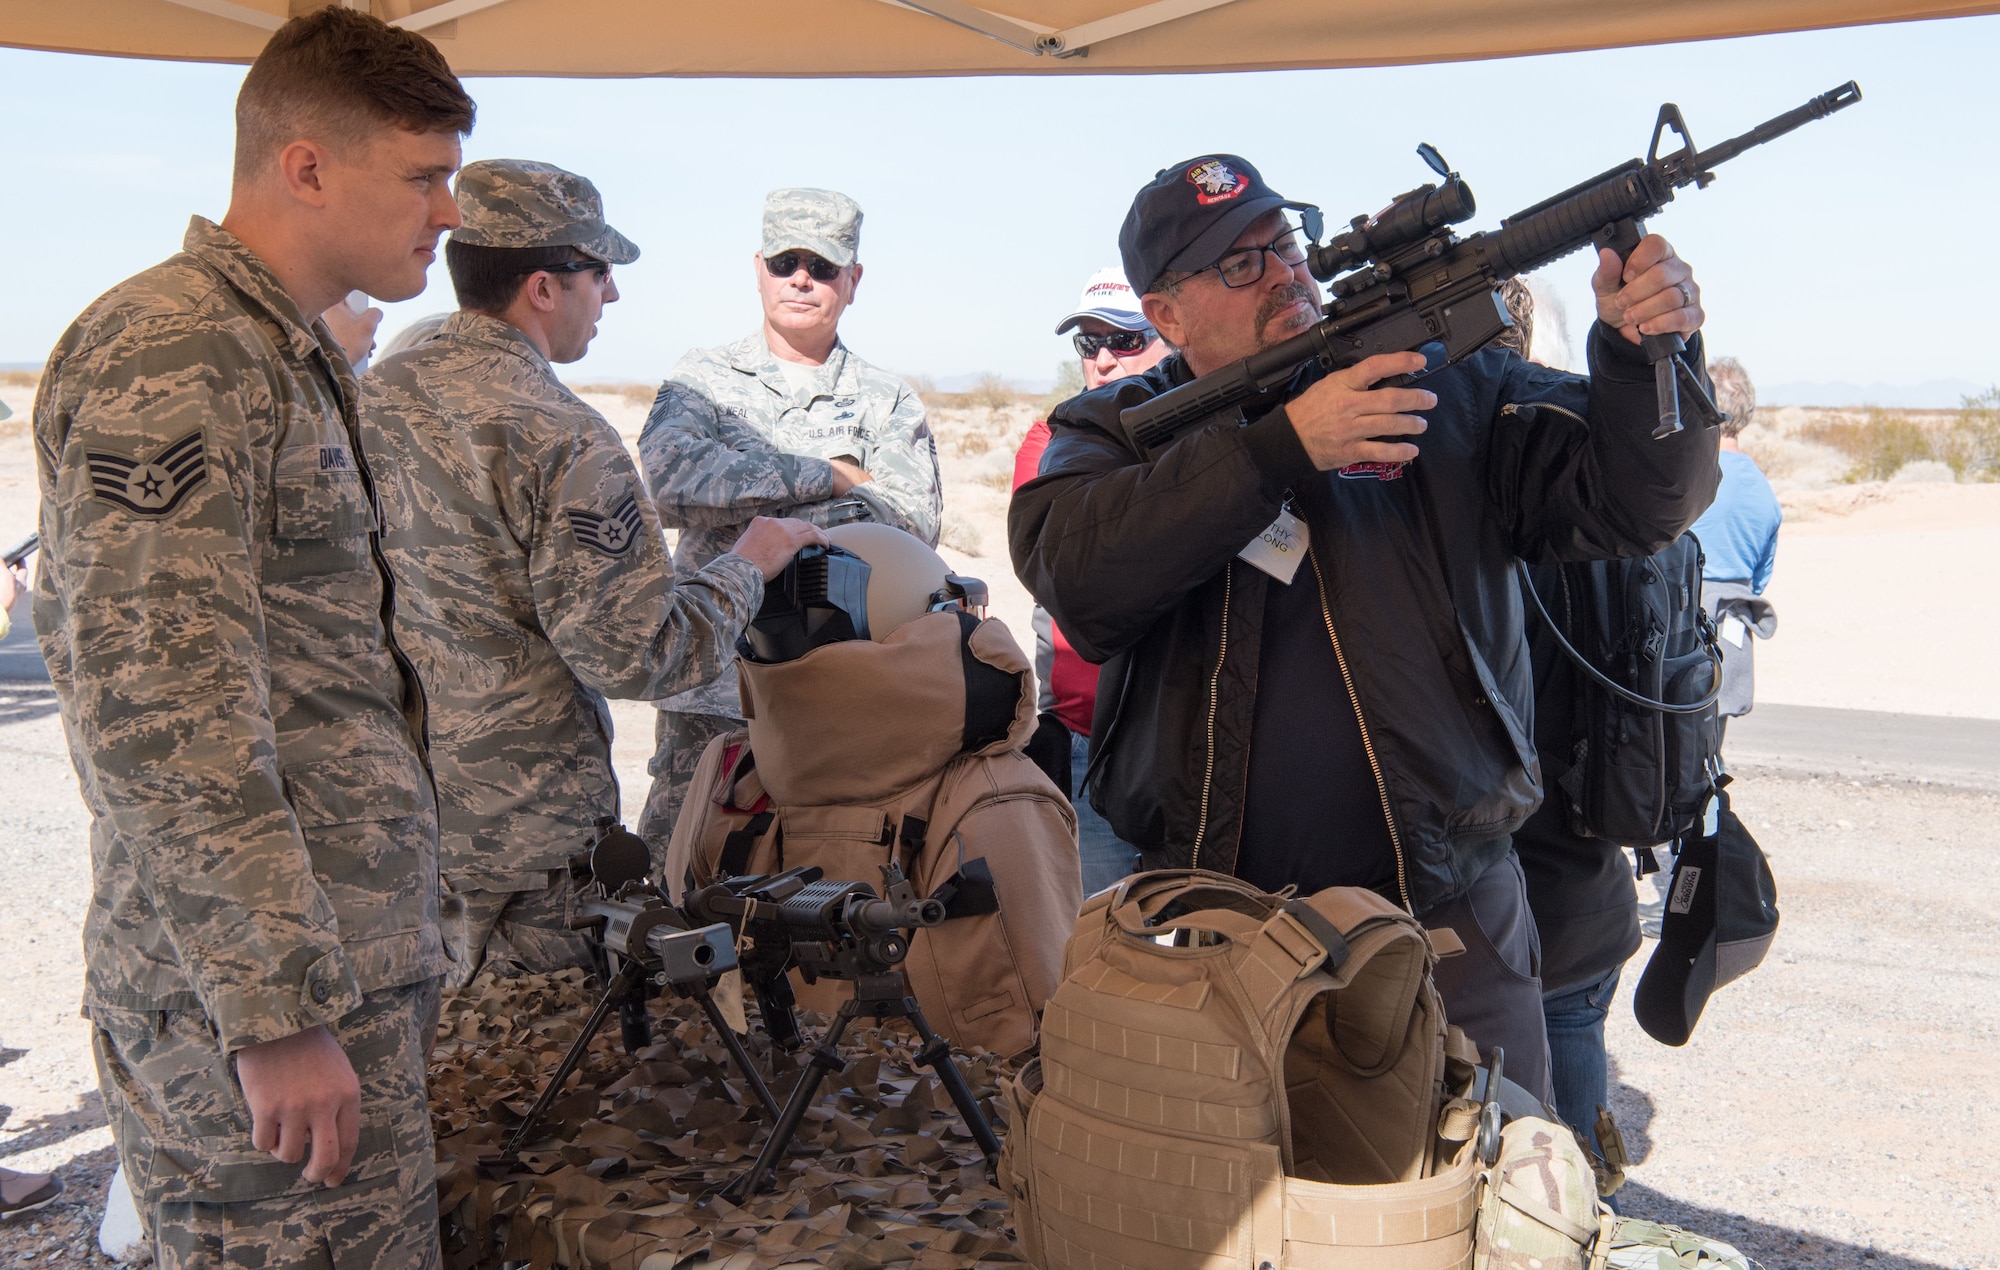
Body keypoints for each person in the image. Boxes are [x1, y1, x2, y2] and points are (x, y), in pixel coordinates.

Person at [1009, 154, 1720, 1102]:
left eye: (1285, 245)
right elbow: (1077, 574)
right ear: (1167, 313)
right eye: (1238, 263)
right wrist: (1281, 449)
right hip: (1216, 920)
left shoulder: (1451, 392)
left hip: (1448, 912)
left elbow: (1641, 502)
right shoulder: (1116, 428)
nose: (1283, 275)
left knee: (1497, 1208)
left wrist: (1642, 357)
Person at [31, 10, 472, 1266]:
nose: (447, 214)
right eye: (424, 177)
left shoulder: (280, 350)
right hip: (264, 1010)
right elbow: (161, 703)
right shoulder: (176, 349)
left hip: (336, 975)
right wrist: (274, 1010)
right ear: (308, 166)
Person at [361, 158, 824, 986]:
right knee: (527, 1084)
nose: (611, 296)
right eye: (600, 273)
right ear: (544, 286)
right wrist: (749, 564)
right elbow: (637, 653)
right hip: (521, 845)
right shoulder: (559, 435)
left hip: (387, 822)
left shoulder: (369, 397)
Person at [636, 187, 943, 845]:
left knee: (829, 894)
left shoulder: (887, 399)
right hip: (715, 697)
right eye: (785, 262)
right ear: (758, 269)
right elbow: (667, 482)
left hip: (841, 698)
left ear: (852, 281)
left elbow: (910, 521)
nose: (802, 278)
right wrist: (828, 475)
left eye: (823, 265)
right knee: (680, 887)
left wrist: (748, 497)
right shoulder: (704, 379)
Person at [1012, 267, 1167, 894]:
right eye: (1088, 342)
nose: (1103, 360)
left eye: (1127, 340)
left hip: (1191, 750)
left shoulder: (1223, 431)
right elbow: (1085, 563)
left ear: (1173, 334)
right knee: (1099, 954)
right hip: (1084, 744)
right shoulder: (1051, 440)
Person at [1688, 356, 1780, 723]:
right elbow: (1759, 578)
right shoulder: (1763, 491)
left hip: (1683, 628)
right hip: (1732, 631)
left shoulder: (1692, 479)